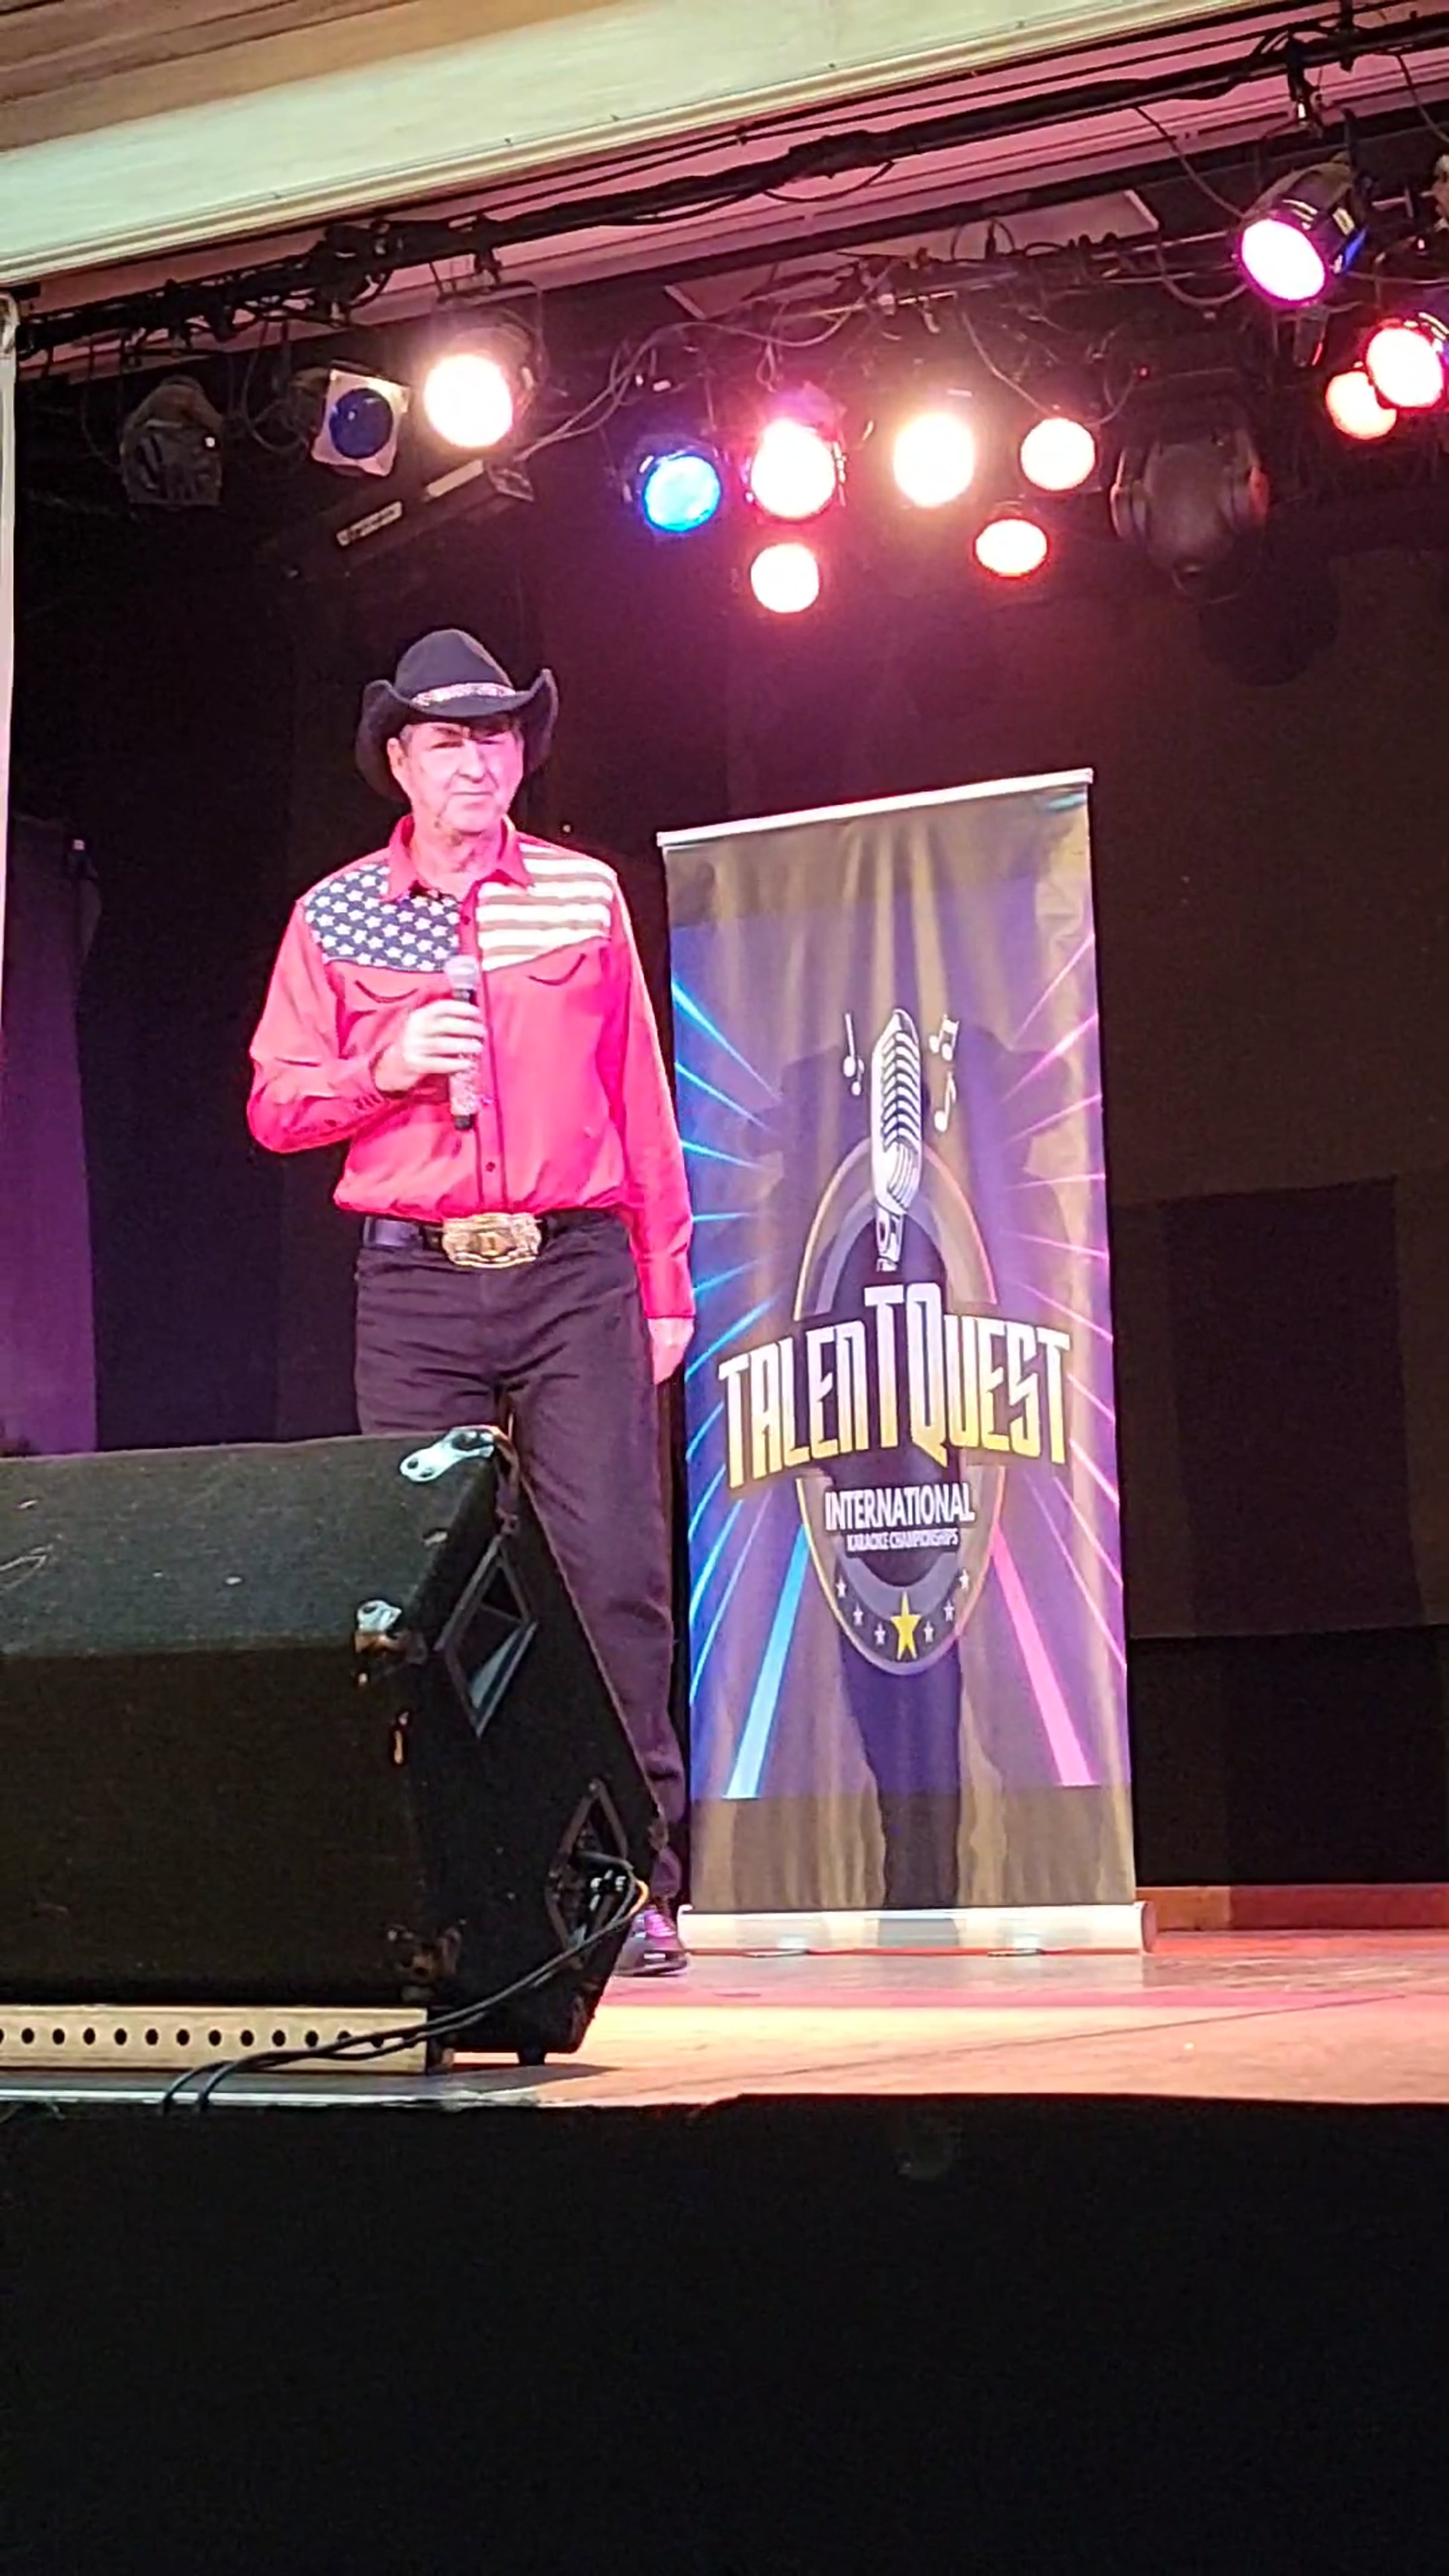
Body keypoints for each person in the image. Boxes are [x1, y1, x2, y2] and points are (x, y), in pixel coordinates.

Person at [248, 628, 695, 1972]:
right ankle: (453, 1885)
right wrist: (383, 1066)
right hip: (415, 1282)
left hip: (573, 1270)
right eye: (448, 740)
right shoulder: (335, 916)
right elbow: (276, 1104)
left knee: (610, 1576)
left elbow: (639, 1097)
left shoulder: (579, 895)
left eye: (495, 738)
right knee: (425, 1583)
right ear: (400, 760)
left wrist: (665, 1281)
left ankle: (625, 1881)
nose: (476, 763)